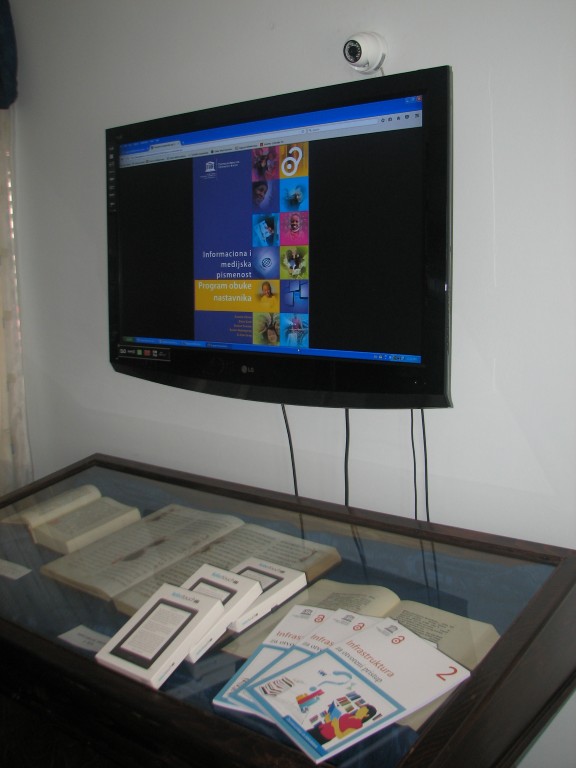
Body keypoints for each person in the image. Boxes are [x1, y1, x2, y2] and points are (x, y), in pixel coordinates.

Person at [306, 704, 377, 745]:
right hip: (321, 728)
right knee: (303, 734)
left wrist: (336, 725)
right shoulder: (350, 715)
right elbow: (337, 723)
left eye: (362, 710)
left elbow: (340, 736)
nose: (359, 709)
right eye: (360, 708)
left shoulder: (357, 725)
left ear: (367, 715)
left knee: (307, 744)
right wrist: (328, 720)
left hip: (324, 735)